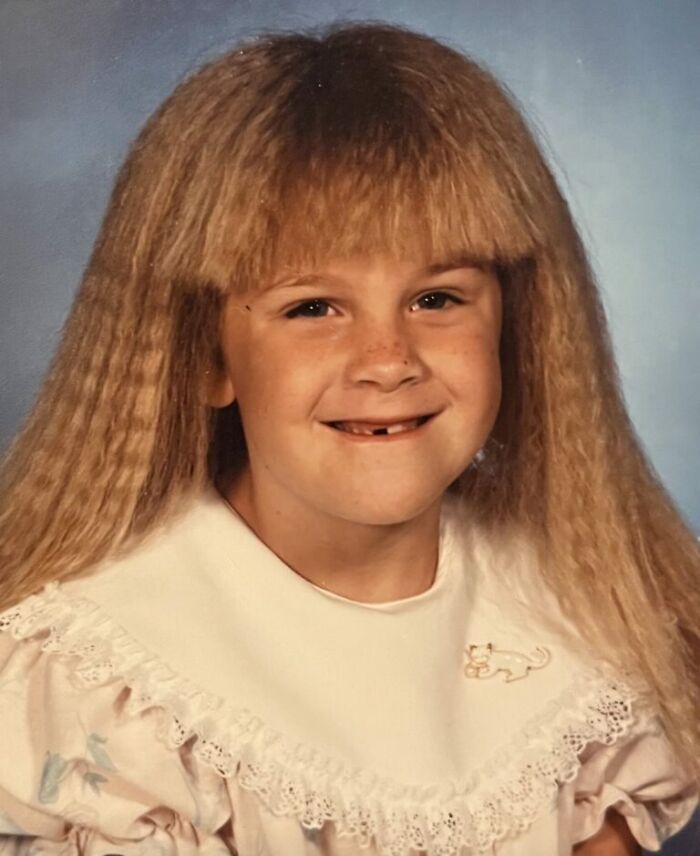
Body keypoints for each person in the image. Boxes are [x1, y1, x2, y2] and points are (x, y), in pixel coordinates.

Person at [0, 21, 697, 856]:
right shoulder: (108, 683)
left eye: (437, 298)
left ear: (518, 328)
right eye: (313, 307)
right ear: (205, 358)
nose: (387, 360)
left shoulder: (586, 619)